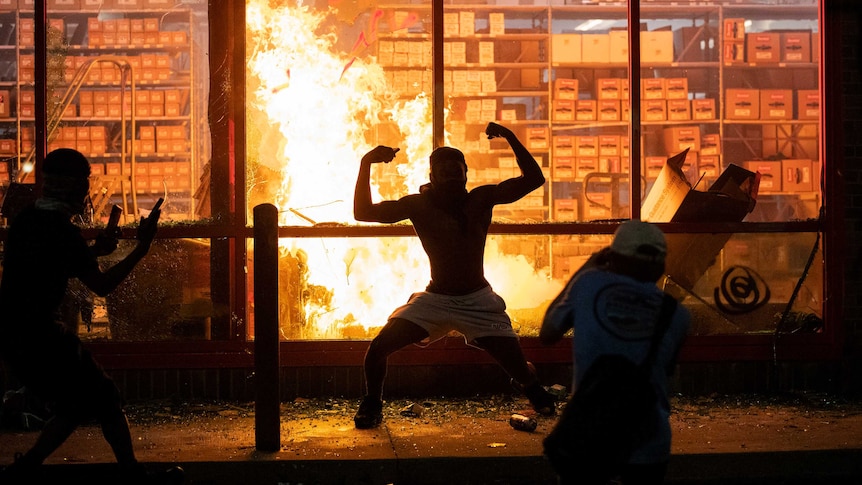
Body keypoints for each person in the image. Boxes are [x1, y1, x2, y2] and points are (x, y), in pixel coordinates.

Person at [352, 121, 557, 429]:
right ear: (431, 177)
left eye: (456, 170)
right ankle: (372, 403)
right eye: (443, 171)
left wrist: (510, 137)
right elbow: (363, 212)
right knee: (377, 349)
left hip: (478, 300)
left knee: (517, 367)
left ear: (465, 174)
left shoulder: (481, 199)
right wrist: (366, 162)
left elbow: (534, 179)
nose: (450, 175)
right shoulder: (418, 205)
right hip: (435, 299)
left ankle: (530, 386)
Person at [0, 149, 183, 484]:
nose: (85, 192)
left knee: (73, 404)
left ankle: (24, 471)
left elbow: (48, 262)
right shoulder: (61, 229)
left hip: (15, 332)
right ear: (74, 188)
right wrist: (140, 250)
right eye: (83, 185)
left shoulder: (28, 219)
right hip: (42, 334)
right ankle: (133, 476)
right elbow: (101, 286)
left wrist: (95, 251)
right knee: (105, 397)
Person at [540, 220, 690, 485]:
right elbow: (665, 371)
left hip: (590, 436)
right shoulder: (677, 315)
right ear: (660, 265)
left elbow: (548, 333)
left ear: (611, 257)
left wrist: (587, 266)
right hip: (649, 444)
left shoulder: (589, 284)